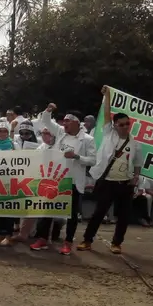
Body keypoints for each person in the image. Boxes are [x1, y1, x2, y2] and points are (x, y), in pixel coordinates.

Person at [77, 86, 143, 254]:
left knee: (123, 216)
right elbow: (107, 114)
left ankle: (117, 243)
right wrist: (108, 96)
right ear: (115, 125)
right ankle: (87, 240)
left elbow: (137, 162)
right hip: (107, 182)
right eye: (121, 124)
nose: (125, 127)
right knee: (99, 213)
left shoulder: (135, 143)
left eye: (127, 124)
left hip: (125, 184)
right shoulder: (109, 133)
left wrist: (136, 176)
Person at [30, 103, 96, 255]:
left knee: (71, 214)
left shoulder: (87, 139)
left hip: (73, 181)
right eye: (64, 120)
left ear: (77, 123)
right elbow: (46, 121)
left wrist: (76, 157)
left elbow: (93, 160)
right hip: (56, 179)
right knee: (47, 211)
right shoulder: (60, 133)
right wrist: (48, 110)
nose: (64, 123)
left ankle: (68, 242)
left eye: (68, 121)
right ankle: (43, 239)